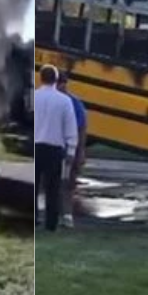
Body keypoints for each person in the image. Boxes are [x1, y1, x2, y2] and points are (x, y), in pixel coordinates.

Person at [34, 64, 78, 231]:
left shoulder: (34, 97)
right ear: (57, 80)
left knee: (35, 184)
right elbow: (70, 128)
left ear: (41, 78)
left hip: (36, 146)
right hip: (54, 149)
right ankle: (51, 223)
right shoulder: (65, 101)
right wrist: (71, 150)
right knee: (52, 188)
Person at [56, 72, 87, 228]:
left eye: (61, 83)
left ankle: (67, 216)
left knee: (67, 183)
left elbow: (81, 129)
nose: (59, 87)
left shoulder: (74, 104)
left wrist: (80, 153)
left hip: (69, 149)